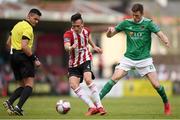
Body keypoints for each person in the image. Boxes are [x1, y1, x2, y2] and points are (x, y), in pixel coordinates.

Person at [99, 3, 171, 115]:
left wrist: (165, 40)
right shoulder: (126, 23)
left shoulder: (148, 23)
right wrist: (109, 32)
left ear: (142, 14)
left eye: (137, 15)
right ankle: (96, 104)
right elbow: (111, 35)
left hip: (144, 59)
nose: (135, 18)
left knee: (156, 85)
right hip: (128, 58)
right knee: (114, 78)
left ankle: (166, 104)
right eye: (133, 15)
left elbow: (159, 33)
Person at [64, 13, 106, 116]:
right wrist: (70, 48)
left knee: (88, 80)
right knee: (73, 85)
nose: (75, 28)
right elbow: (66, 46)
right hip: (73, 63)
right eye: (74, 26)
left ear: (82, 24)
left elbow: (88, 39)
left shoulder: (87, 31)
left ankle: (100, 107)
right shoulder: (68, 34)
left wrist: (95, 47)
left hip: (85, 59)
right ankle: (92, 107)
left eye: (78, 26)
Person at [3, 8, 42, 116]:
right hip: (23, 57)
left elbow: (8, 43)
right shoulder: (28, 28)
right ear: (29, 16)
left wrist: (14, 53)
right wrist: (35, 59)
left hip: (13, 56)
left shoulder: (17, 25)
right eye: (35, 19)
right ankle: (18, 108)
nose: (36, 21)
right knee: (29, 85)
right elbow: (24, 46)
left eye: (38, 20)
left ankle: (9, 102)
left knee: (23, 85)